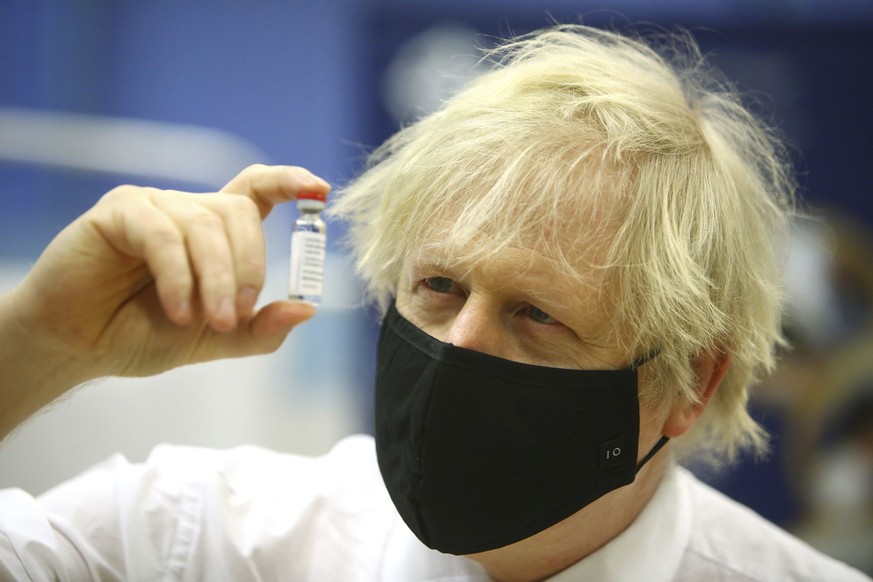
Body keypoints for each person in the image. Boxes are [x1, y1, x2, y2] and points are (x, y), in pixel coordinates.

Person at [0, 24, 868, 582]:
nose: (458, 346)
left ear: (689, 381)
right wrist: (39, 343)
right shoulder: (206, 539)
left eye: (537, 314)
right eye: (438, 288)